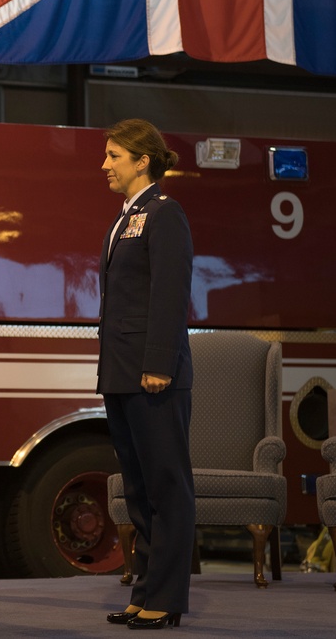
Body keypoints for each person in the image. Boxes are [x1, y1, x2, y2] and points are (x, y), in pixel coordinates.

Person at [97, 118, 195, 630]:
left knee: (166, 486)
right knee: (137, 488)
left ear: (143, 160)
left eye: (114, 155)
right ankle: (145, 589)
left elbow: (170, 294)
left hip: (153, 373)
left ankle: (168, 597)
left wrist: (158, 363)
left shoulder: (165, 212)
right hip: (120, 372)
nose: (105, 164)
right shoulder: (124, 217)